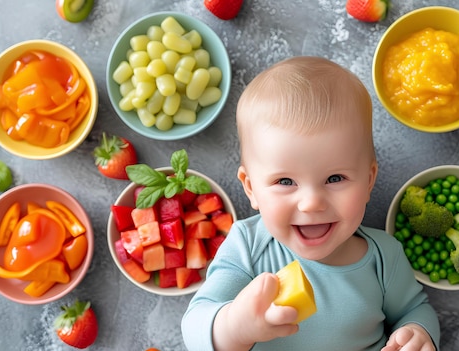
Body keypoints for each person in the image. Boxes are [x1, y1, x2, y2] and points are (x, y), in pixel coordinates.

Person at [181, 56, 440, 351]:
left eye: (335, 178)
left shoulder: (384, 256)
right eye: (285, 182)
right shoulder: (247, 246)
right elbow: (194, 327)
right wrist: (235, 326)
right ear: (251, 188)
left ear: (368, 181)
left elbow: (414, 309)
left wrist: (417, 333)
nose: (311, 203)